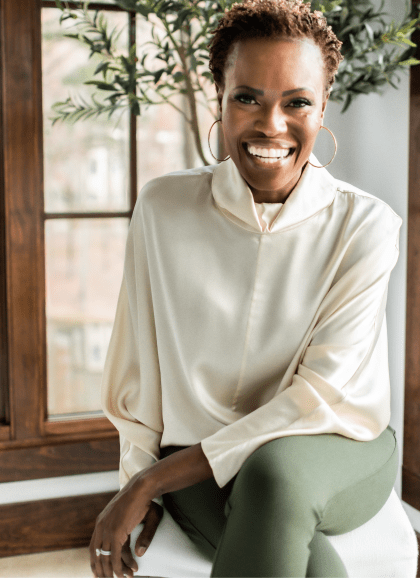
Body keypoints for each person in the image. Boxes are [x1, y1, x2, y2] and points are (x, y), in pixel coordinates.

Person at [89, 0, 402, 577]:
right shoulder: (163, 209)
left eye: (297, 102)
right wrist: (138, 475)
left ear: (323, 105)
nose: (271, 125)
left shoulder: (366, 225)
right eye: (247, 98)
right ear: (220, 97)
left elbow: (317, 395)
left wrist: (153, 480)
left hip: (337, 444)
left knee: (273, 473)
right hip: (196, 460)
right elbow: (138, 366)